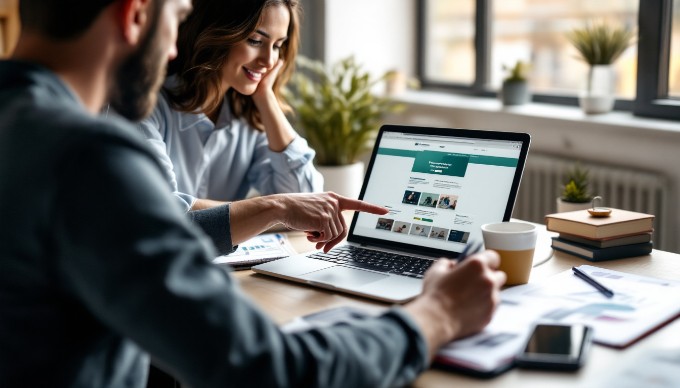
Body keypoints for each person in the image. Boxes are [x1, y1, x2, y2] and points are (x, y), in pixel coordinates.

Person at [0, 1, 506, 387]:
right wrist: (434, 316)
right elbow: (263, 369)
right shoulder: (90, 158)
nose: (176, 48)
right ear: (135, 15)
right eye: (177, 18)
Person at [138, 0, 323, 211]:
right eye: (255, 41)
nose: (269, 61)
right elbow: (163, 209)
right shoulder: (145, 106)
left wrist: (266, 98)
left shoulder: (250, 119)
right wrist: (273, 209)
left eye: (278, 46)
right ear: (217, 33)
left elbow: (307, 202)